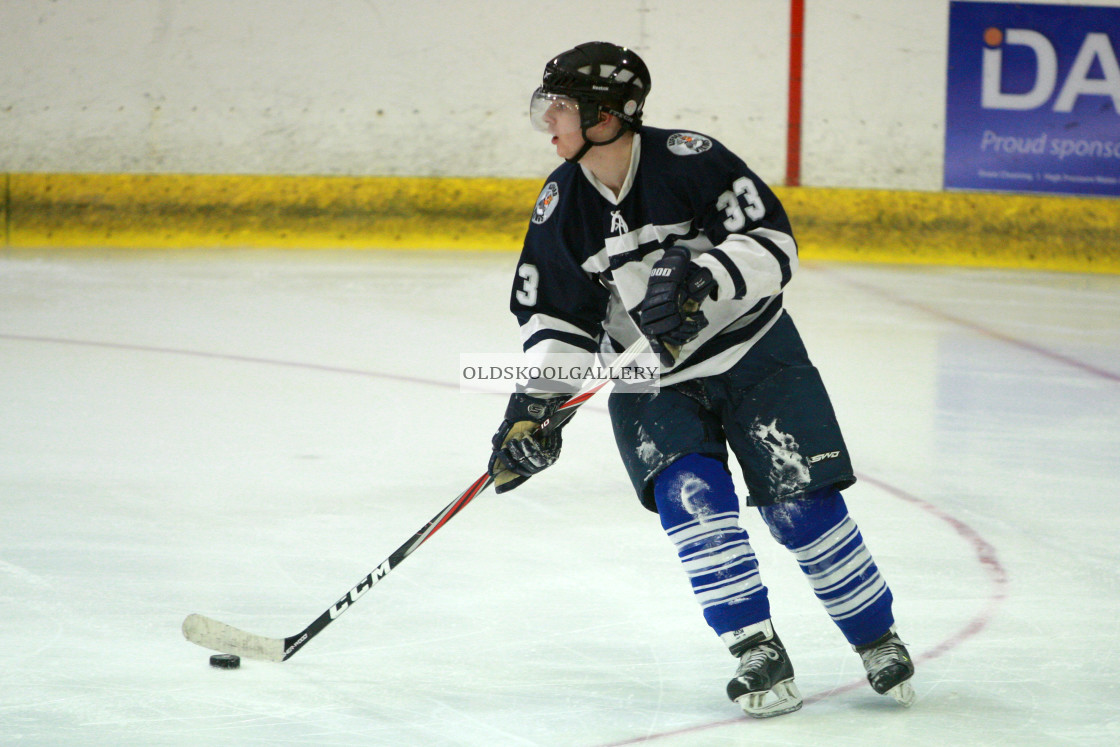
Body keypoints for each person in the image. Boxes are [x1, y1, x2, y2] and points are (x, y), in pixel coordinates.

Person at [487, 41, 915, 718]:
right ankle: (755, 649)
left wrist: (705, 276)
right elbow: (558, 318)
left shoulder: (691, 159)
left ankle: (875, 634)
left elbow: (774, 244)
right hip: (651, 377)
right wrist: (535, 405)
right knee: (691, 494)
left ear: (606, 116)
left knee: (799, 506)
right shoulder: (561, 202)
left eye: (563, 107)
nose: (551, 121)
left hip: (755, 353)